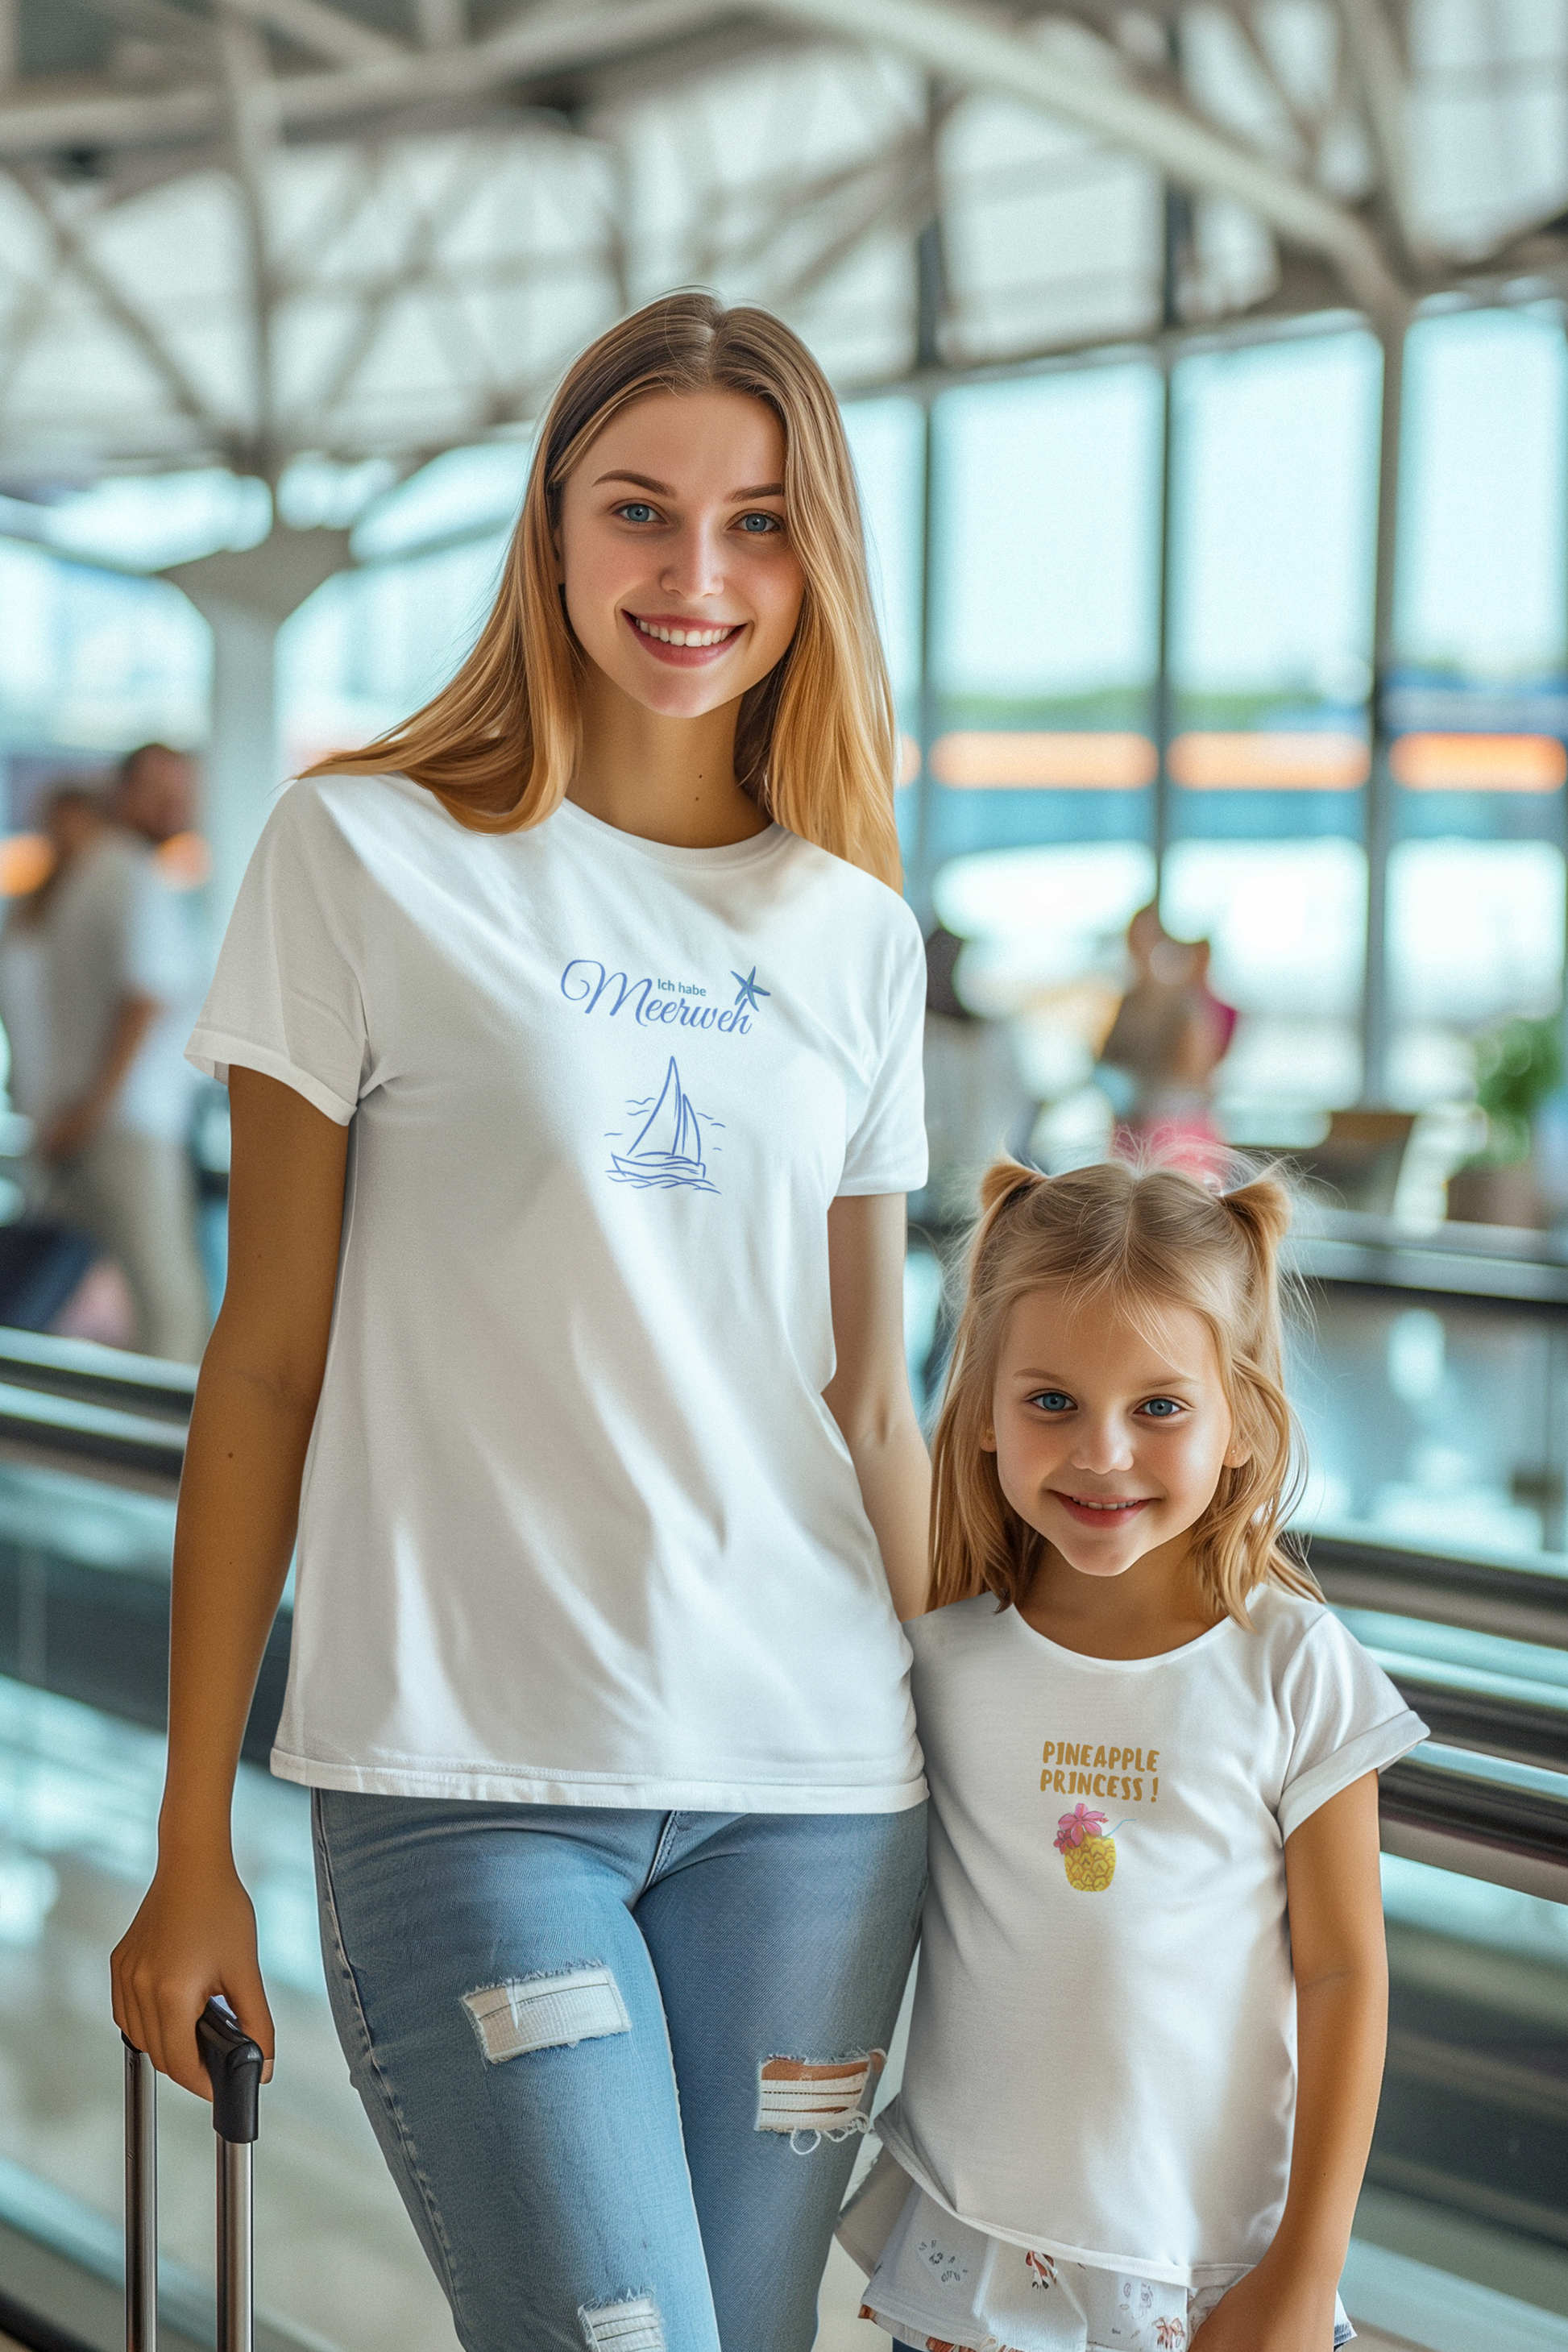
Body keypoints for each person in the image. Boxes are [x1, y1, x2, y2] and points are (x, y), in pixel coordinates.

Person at [110, 293, 932, 2352]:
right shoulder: (362, 852)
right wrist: (189, 1825)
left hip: (818, 1790)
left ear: (816, 558)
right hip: (472, 1780)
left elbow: (872, 1398)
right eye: (641, 512)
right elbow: (265, 1357)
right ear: (552, 527)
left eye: (757, 526)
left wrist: (1032, 1774)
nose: (696, 577)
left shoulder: (855, 935)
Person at [841, 1156, 1426, 2352]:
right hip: (971, 2265)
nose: (1101, 1452)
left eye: (1158, 1406)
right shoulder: (936, 1664)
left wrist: (1306, 2266)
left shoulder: (1295, 1667)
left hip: (1214, 2278)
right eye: (1049, 1400)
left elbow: (1343, 1976)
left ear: (1239, 1421)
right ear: (986, 1409)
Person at [0, 781, 208, 1362]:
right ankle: (174, 1449)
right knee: (170, 1307)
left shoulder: (63, 896)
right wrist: (90, 1109)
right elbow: (145, 997)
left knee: (50, 1287)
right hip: (120, 1124)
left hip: (74, 1121)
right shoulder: (119, 876)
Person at [1097, 905, 1235, 1170]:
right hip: (1136, 1130)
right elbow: (1109, 1056)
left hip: (1176, 1131)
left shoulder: (1185, 1001)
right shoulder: (1131, 997)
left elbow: (1196, 1073)